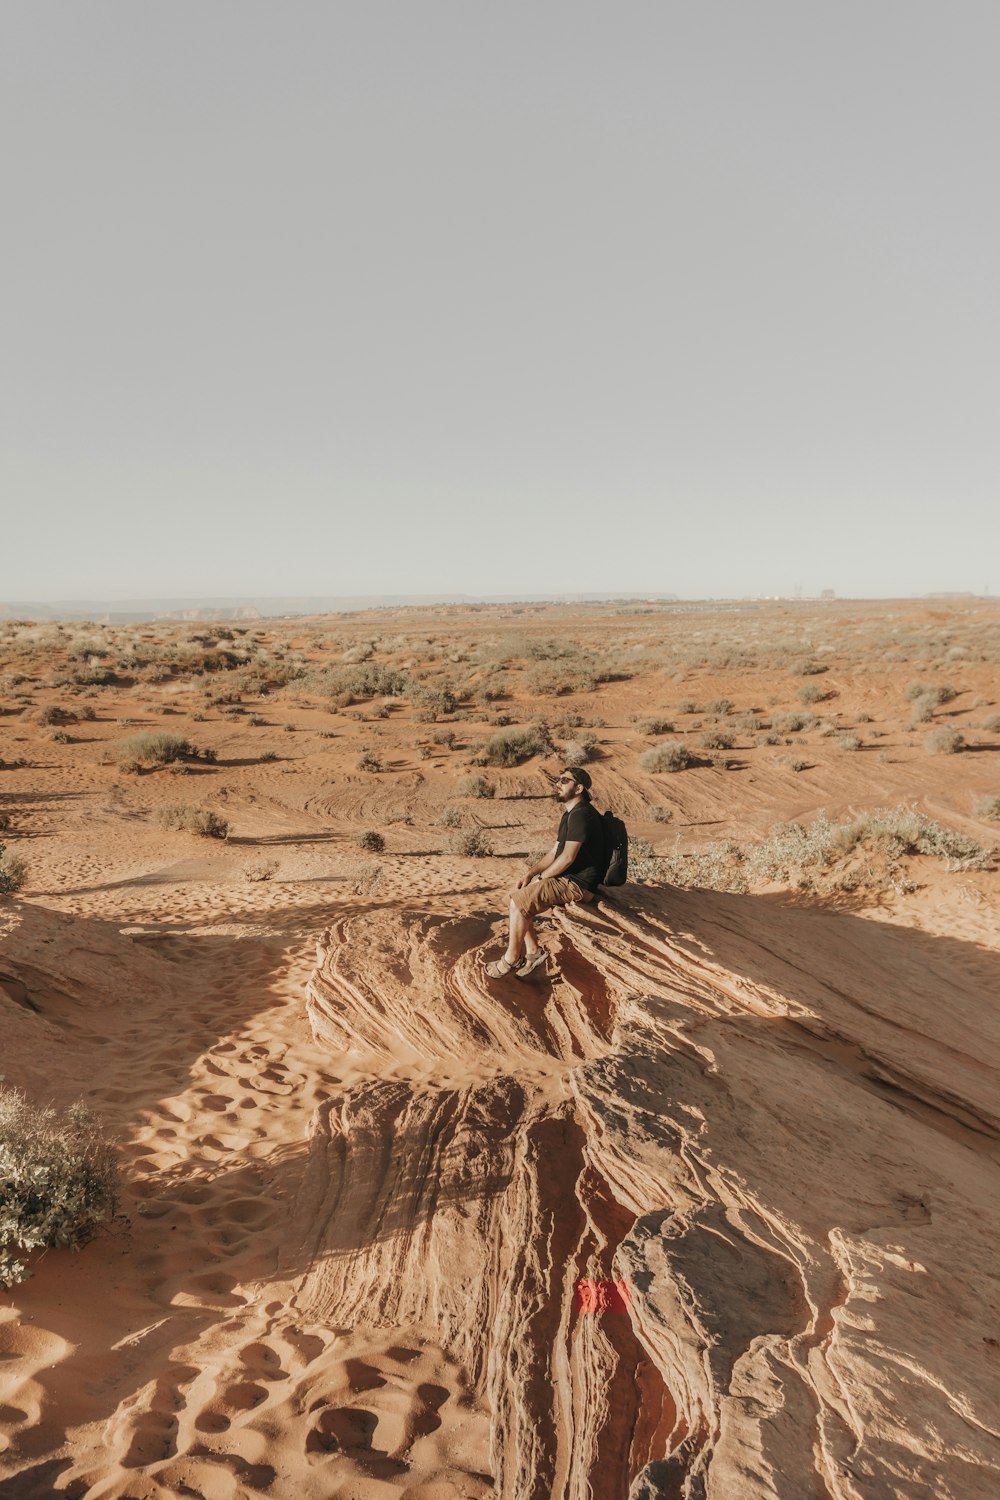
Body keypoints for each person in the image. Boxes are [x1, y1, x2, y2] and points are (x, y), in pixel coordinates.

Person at [483, 765, 605, 979]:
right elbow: (554, 852)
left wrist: (542, 877)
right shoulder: (571, 814)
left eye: (564, 781)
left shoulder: (581, 815)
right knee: (513, 897)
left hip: (577, 883)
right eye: (559, 779)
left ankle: (511, 958)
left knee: (519, 903)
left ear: (579, 788)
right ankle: (533, 952)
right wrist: (531, 873)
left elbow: (567, 857)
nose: (558, 784)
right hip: (567, 878)